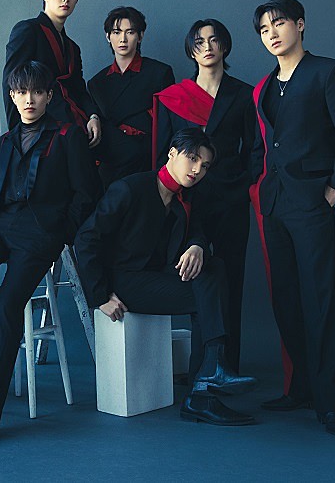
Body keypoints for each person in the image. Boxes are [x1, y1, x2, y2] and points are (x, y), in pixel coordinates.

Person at [0, 61, 100, 445]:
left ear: (48, 96)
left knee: (8, 308)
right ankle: (7, 323)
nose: (28, 99)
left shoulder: (67, 135)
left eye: (36, 92)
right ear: (12, 97)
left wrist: (61, 232)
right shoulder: (2, 143)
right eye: (21, 92)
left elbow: (87, 192)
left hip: (40, 232)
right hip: (1, 224)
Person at [76, 127, 258, 426]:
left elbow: (197, 230)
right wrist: (99, 296)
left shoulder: (187, 197)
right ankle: (204, 388)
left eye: (205, 165)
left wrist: (197, 245)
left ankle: (209, 374)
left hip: (156, 276)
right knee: (207, 295)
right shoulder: (130, 189)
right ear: (172, 153)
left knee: (213, 270)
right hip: (124, 281)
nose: (197, 170)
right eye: (192, 159)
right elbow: (86, 239)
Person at [250, 0, 335, 437]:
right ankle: (300, 387)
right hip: (274, 203)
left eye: (279, 24)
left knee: (319, 300)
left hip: (312, 202)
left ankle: (331, 404)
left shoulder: (330, 72)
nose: (272, 34)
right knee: (285, 299)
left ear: (300, 25)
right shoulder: (265, 86)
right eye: (264, 30)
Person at [153, 18, 255, 372]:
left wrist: (241, 187)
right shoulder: (174, 98)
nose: (207, 47)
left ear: (224, 46)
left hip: (231, 201)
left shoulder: (244, 94)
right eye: (199, 42)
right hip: (186, 203)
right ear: (191, 50)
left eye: (214, 40)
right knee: (195, 280)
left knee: (231, 281)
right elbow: (162, 154)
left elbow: (254, 151)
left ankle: (227, 368)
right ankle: (200, 370)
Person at [2, 0, 101, 148]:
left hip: (74, 122)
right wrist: (18, 132)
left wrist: (93, 116)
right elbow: (11, 80)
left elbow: (79, 89)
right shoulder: (27, 30)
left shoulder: (72, 47)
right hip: (43, 124)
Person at [88, 6, 174, 188]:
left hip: (146, 161)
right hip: (111, 163)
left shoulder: (159, 73)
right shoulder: (97, 83)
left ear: (140, 36)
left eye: (130, 32)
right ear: (108, 37)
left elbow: (167, 127)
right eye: (117, 32)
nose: (123, 39)